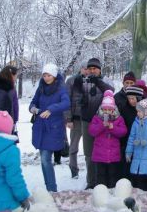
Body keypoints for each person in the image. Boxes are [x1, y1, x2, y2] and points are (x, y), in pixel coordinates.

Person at [29, 63, 70, 192]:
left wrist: (51, 109)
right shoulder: (40, 88)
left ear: (54, 75)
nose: (46, 78)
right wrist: (33, 108)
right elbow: (33, 101)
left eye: (49, 75)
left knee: (46, 159)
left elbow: (66, 103)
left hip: (53, 128)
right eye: (44, 75)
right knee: (43, 160)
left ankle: (52, 189)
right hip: (40, 127)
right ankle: (49, 188)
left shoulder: (60, 88)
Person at [79, 57, 115, 189]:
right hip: (87, 121)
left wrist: (98, 82)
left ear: (100, 69)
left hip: (102, 121)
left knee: (102, 151)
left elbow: (110, 91)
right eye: (90, 68)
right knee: (89, 153)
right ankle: (91, 181)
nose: (92, 71)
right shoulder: (82, 81)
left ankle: (103, 181)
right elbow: (75, 95)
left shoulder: (105, 80)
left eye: (94, 68)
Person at [89, 91, 127, 188]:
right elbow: (92, 131)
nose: (106, 112)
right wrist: (102, 126)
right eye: (104, 109)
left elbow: (123, 132)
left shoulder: (118, 119)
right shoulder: (97, 118)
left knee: (113, 175)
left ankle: (112, 192)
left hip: (113, 155)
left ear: (113, 110)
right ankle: (101, 192)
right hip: (100, 155)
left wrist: (112, 127)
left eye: (109, 110)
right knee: (100, 176)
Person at [65, 63, 88, 179]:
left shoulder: (93, 81)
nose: (87, 71)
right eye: (85, 68)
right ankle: (74, 170)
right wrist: (68, 119)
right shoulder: (71, 81)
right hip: (76, 119)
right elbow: (66, 100)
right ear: (81, 68)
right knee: (73, 147)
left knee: (89, 148)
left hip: (89, 120)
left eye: (89, 69)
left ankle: (91, 172)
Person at [118, 85, 144, 181]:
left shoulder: (146, 110)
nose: (131, 101)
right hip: (128, 144)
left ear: (139, 98)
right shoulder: (125, 109)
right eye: (129, 98)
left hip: (142, 145)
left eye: (133, 98)